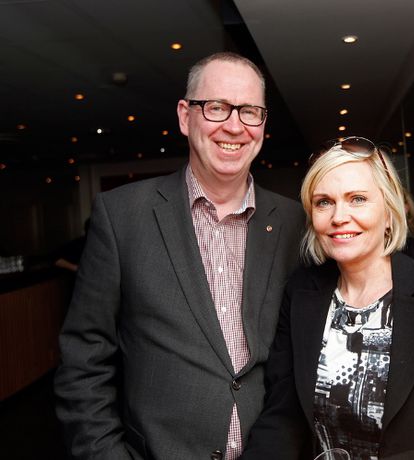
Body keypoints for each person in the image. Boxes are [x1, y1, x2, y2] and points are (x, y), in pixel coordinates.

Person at [54, 52, 304, 460]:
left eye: (250, 111)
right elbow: (84, 359)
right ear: (186, 117)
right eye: (217, 107)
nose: (235, 126)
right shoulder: (122, 216)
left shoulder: (296, 222)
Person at [242, 137, 414, 459]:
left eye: (357, 199)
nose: (338, 216)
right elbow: (284, 416)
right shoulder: (301, 294)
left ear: (389, 213)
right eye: (323, 202)